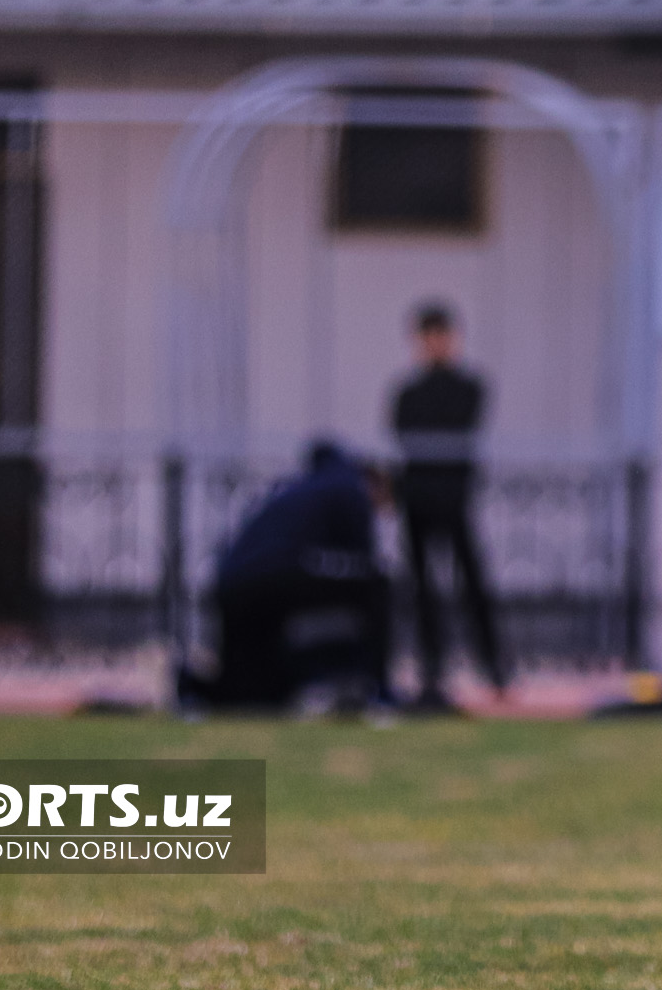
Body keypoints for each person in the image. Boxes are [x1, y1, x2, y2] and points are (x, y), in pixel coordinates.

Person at [186, 440, 393, 714]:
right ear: (374, 483)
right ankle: (374, 687)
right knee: (376, 586)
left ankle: (194, 687)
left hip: (233, 582)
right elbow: (362, 559)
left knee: (248, 691)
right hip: (270, 576)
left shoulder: (304, 486)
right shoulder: (350, 487)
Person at [391, 302, 507, 712]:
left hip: (454, 500)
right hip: (420, 501)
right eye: (428, 337)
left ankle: (495, 668)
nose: (435, 344)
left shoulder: (469, 388)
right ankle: (431, 671)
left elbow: (460, 425)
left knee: (472, 585)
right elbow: (406, 433)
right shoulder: (408, 392)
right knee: (423, 590)